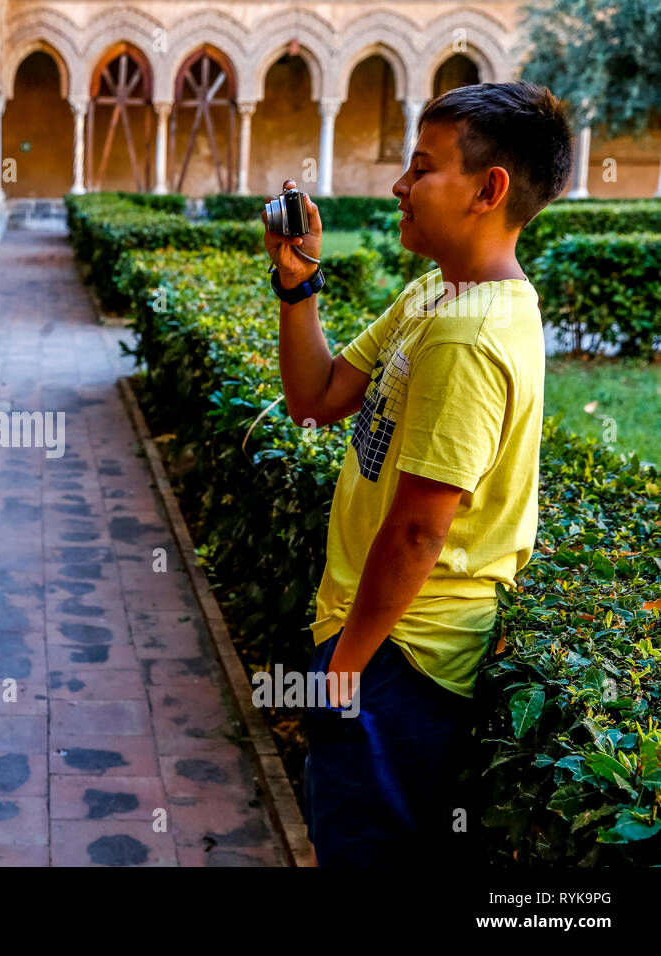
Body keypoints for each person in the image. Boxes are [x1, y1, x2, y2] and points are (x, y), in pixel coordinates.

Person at [261, 82, 573, 865]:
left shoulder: (471, 336)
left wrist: (345, 670)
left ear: (488, 190)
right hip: (374, 639)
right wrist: (297, 283)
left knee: (364, 850)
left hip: (404, 652)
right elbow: (319, 398)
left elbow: (419, 528)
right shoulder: (438, 291)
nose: (400, 186)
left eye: (422, 168)